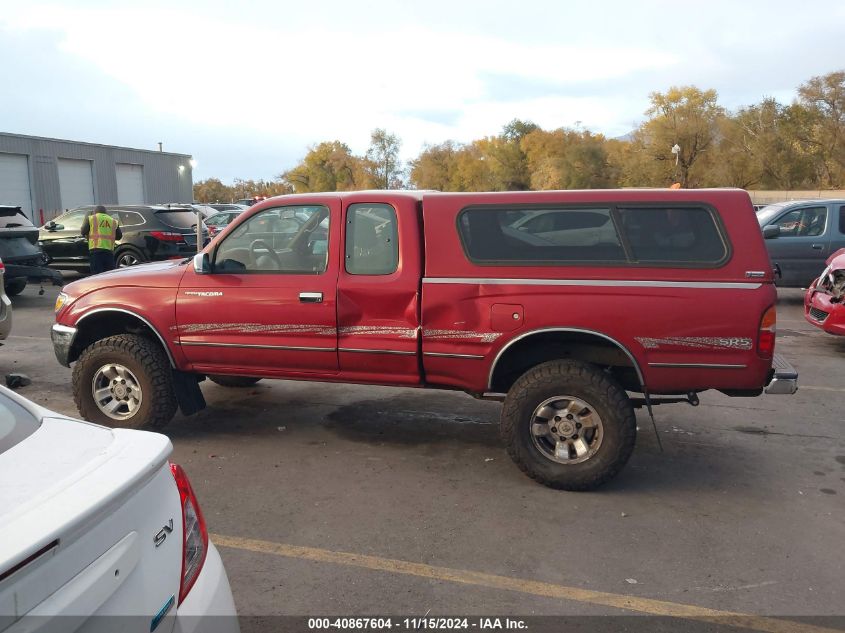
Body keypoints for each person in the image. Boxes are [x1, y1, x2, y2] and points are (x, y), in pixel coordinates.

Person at [81, 205, 122, 273]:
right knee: (109, 274)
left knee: (97, 275)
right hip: (109, 252)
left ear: (95, 212)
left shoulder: (91, 218)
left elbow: (83, 231)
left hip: (96, 251)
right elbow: (119, 236)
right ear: (105, 213)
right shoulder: (113, 221)